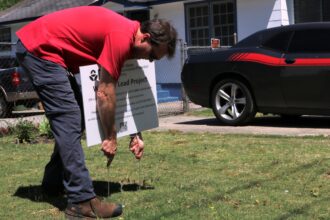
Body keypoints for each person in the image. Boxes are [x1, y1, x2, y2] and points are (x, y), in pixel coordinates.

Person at [15, 6, 177, 219]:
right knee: (69, 117)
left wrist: (135, 134)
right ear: (145, 38)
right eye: (152, 56)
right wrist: (110, 137)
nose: (149, 61)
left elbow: (125, 92)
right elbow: (105, 93)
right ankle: (81, 202)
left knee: (76, 117)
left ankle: (53, 183)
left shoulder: (129, 39)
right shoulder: (120, 37)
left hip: (48, 52)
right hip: (39, 49)